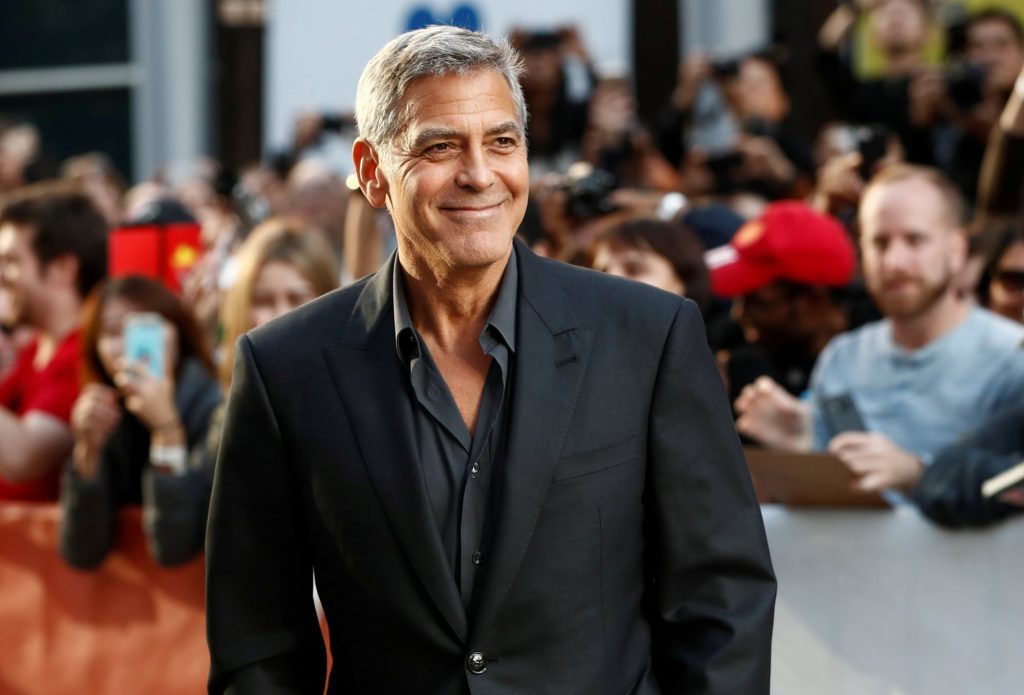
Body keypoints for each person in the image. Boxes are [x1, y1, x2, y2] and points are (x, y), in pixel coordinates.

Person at [206, 26, 775, 694]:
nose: (479, 174)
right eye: (440, 146)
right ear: (371, 170)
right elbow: (257, 639)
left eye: (502, 142)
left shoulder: (648, 337)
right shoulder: (285, 367)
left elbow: (721, 600)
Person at [736, 165, 1024, 495]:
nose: (894, 262)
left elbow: (1013, 489)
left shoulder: (1012, 359)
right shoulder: (842, 358)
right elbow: (837, 490)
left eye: (915, 240)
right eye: (879, 243)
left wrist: (918, 474)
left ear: (957, 249)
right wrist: (805, 443)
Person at [59, 276, 221, 568]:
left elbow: (174, 547)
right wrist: (88, 452)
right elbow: (81, 553)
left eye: (146, 326)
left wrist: (167, 431)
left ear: (178, 332)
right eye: (113, 331)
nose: (131, 344)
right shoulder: (105, 414)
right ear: (95, 347)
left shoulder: (214, 408)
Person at [0, 182, 107, 500]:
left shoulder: (85, 354)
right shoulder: (36, 348)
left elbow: (23, 458)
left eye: (11, 261)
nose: (1, 276)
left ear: (63, 268)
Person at [705, 201, 856, 403]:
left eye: (758, 303)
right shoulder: (731, 350)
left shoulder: (874, 370)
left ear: (813, 302)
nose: (739, 314)